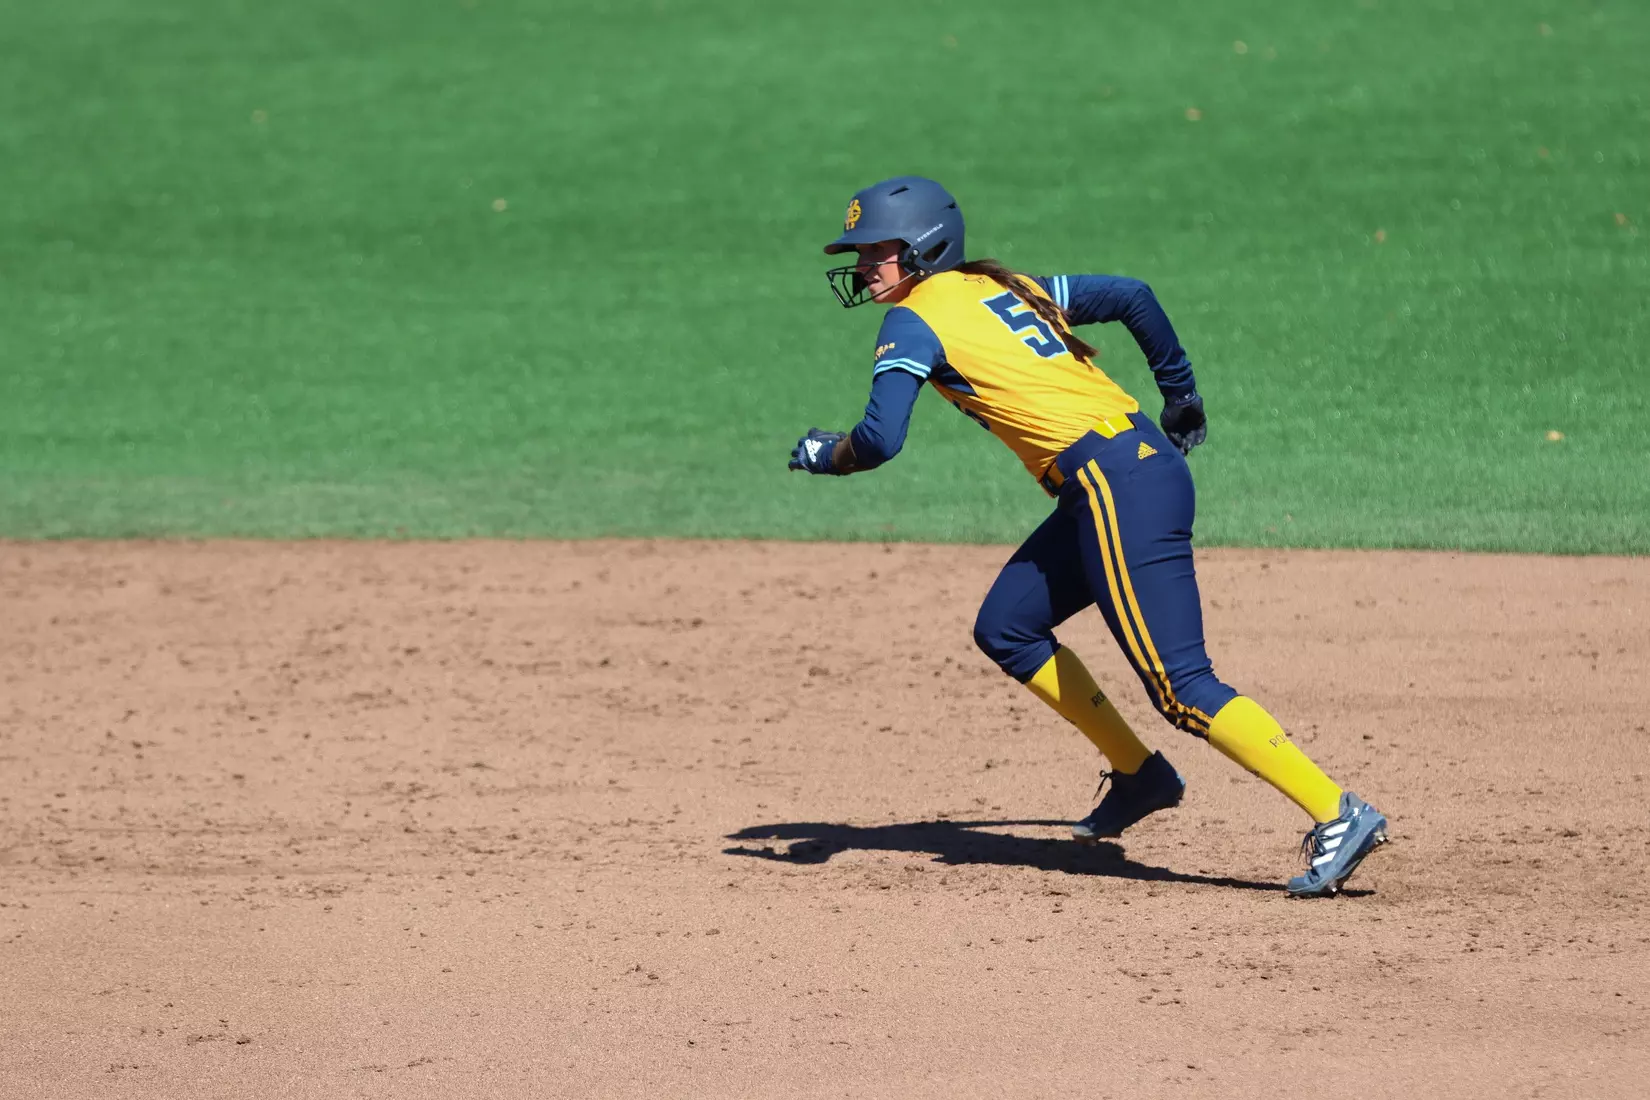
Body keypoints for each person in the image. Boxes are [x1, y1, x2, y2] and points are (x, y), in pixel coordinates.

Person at [788, 176, 1388, 897]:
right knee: (1008, 627)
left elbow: (881, 439)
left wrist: (829, 454)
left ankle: (1338, 811)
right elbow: (1133, 295)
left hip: (1114, 488)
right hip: (1123, 474)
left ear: (920, 246)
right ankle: (1140, 776)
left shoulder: (913, 320)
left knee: (1181, 686)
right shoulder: (1007, 289)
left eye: (874, 251)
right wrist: (1182, 394)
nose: (862, 268)